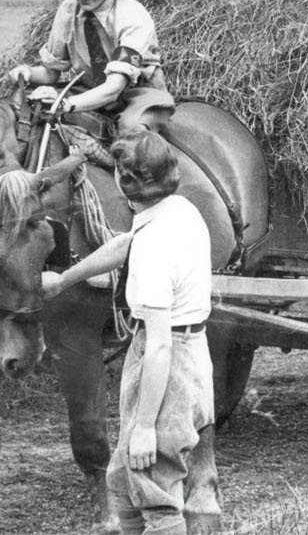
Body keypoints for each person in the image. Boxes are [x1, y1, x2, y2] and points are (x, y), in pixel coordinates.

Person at [42, 130, 219, 535]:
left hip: (166, 364)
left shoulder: (155, 253)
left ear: (124, 182)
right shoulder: (178, 210)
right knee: (122, 481)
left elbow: (158, 347)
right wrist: (64, 279)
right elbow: (127, 243)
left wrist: (143, 427)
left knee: (154, 485)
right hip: (187, 353)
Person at [9, 0, 173, 135]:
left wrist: (66, 104)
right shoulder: (68, 10)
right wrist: (26, 72)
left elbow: (114, 87)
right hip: (87, 91)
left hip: (137, 95)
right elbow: (51, 73)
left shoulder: (133, 16)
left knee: (131, 132)